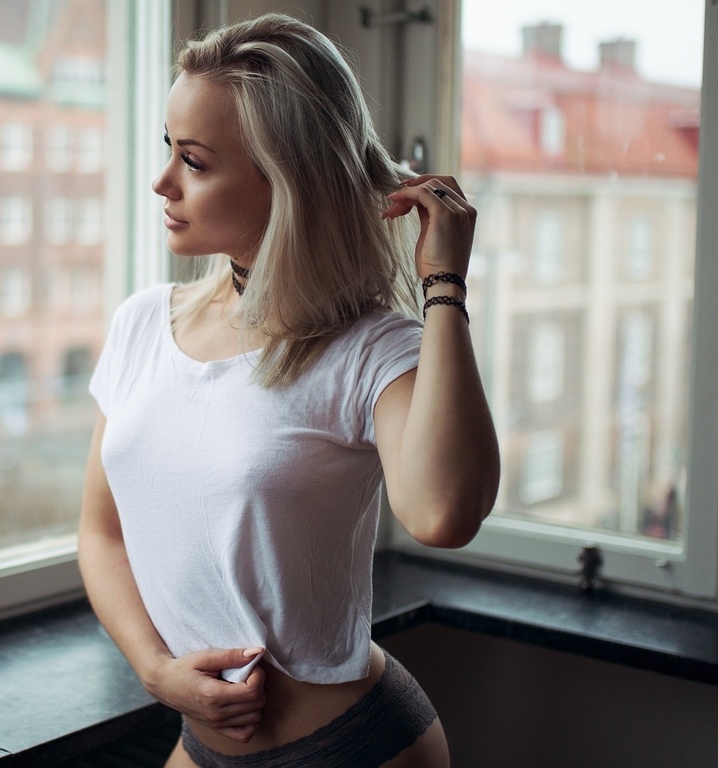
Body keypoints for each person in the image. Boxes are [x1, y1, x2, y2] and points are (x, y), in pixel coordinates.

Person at [78, 13, 500, 768]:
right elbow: (102, 533)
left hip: (356, 748)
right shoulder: (141, 325)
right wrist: (156, 670)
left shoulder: (371, 349)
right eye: (167, 149)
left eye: (196, 162)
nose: (162, 181)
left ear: (287, 180)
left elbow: (443, 513)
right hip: (200, 746)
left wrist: (444, 284)